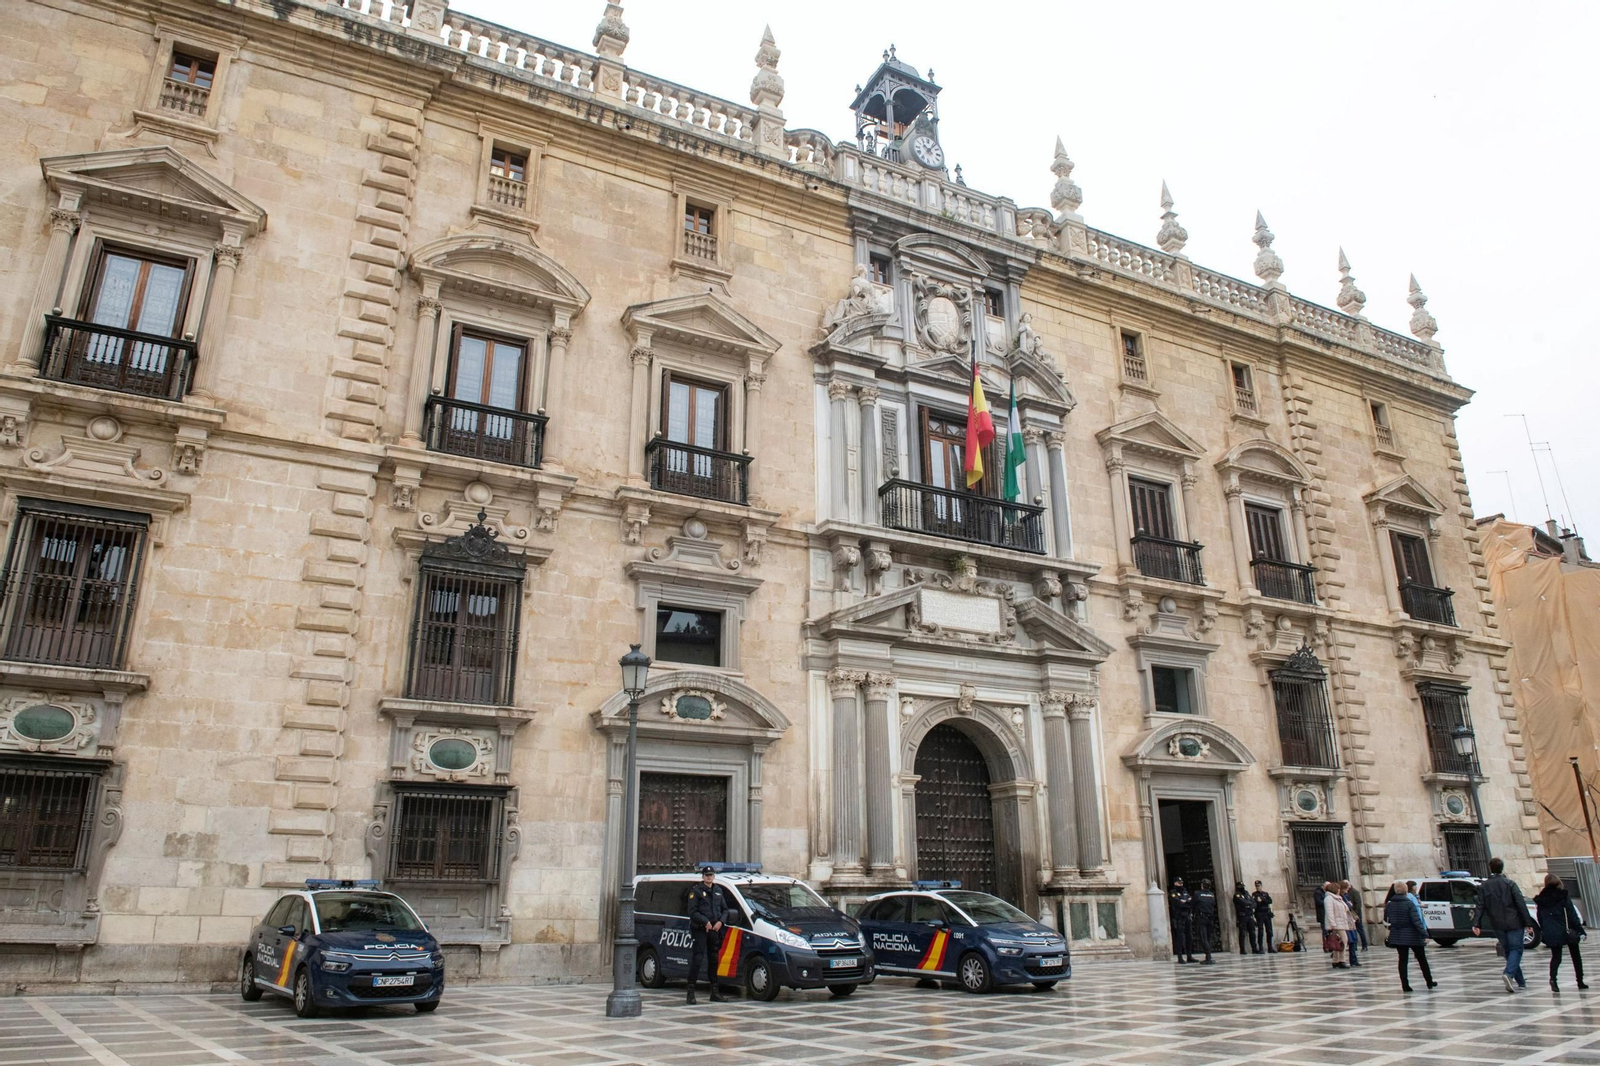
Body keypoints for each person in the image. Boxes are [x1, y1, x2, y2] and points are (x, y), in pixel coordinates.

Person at [1472, 856, 1535, 993]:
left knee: (1509, 951)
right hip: (1514, 922)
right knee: (1516, 949)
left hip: (1497, 923)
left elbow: (1480, 905)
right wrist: (1528, 922)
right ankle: (1508, 974)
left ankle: (1521, 982)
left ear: (1490, 868)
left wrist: (1476, 923)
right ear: (1502, 868)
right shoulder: (1509, 883)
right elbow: (1520, 903)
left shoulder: (1484, 886)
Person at [1534, 873, 1587, 991]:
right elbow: (1571, 914)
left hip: (1551, 931)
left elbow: (1540, 917)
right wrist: (1580, 930)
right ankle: (1580, 981)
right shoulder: (1563, 895)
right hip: (1566, 930)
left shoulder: (1541, 899)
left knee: (1556, 957)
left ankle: (1553, 979)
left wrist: (1544, 930)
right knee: (1575, 956)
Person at [684, 866, 730, 1004]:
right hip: (700, 930)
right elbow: (692, 912)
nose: (709, 877)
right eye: (706, 875)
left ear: (714, 876)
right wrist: (705, 922)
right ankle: (690, 993)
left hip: (714, 930)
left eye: (711, 875)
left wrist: (721, 922)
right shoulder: (696, 891)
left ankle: (714, 992)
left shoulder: (718, 890)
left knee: (714, 959)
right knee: (697, 959)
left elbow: (725, 910)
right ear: (703, 876)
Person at [1383, 879, 1435, 992]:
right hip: (1413, 936)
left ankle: (1405, 985)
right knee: (1422, 959)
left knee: (1402, 960)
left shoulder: (1389, 904)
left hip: (1397, 935)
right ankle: (1429, 981)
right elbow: (1416, 921)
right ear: (1406, 891)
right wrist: (1425, 934)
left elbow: (1386, 921)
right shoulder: (1409, 904)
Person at [1322, 881, 1352, 968]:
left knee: (1337, 943)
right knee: (1344, 941)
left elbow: (1346, 908)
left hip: (1341, 923)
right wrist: (1333, 924)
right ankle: (1342, 960)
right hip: (1336, 924)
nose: (1339, 891)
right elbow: (1329, 912)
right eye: (1338, 889)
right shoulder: (1329, 899)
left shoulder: (1337, 898)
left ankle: (1335, 960)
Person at [1169, 878, 1194, 963]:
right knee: (1180, 937)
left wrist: (1184, 902)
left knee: (1189, 936)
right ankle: (1180, 956)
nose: (1181, 884)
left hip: (1187, 916)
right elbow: (1178, 903)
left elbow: (1191, 902)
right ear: (1175, 883)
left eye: (1182, 883)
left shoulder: (1185, 892)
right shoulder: (1173, 893)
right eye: (1179, 883)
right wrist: (1185, 902)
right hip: (1179, 917)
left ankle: (1189, 956)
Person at [1193, 879, 1218, 964]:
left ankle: (1208, 956)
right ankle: (1209, 955)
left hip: (1202, 918)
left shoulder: (1197, 894)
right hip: (1210, 918)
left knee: (1203, 938)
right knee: (1208, 937)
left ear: (1202, 885)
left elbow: (1193, 904)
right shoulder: (1211, 894)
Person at [1339, 880, 1362, 967]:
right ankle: (1341, 960)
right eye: (1346, 888)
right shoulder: (1340, 897)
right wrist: (1348, 905)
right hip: (1346, 922)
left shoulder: (1345, 896)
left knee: (1353, 940)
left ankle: (1354, 960)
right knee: (1347, 941)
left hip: (1350, 920)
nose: (1348, 890)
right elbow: (1343, 908)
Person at [1232, 883, 1256, 955]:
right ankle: (1242, 949)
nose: (1242, 888)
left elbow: (1254, 903)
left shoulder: (1247, 894)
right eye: (1240, 887)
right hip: (1242, 916)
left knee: (1252, 932)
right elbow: (1243, 902)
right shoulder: (1237, 895)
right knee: (1242, 933)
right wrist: (1249, 904)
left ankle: (1254, 948)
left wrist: (1250, 905)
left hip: (1250, 915)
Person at [1344, 879, 1369, 951]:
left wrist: (1355, 914)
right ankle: (1354, 946)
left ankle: (1364, 945)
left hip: (1355, 914)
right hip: (1349, 914)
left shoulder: (1355, 892)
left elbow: (1358, 904)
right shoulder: (1345, 893)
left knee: (1360, 929)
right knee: (1352, 930)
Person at [1251, 881, 1274, 954]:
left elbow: (1270, 901)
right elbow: (1255, 903)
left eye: (1259, 886)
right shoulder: (1254, 894)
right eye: (1256, 886)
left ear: (1261, 886)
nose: (1258, 887)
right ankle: (1261, 947)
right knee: (1260, 931)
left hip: (1266, 914)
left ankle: (1270, 947)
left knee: (1269, 931)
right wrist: (1263, 901)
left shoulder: (1265, 894)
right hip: (1259, 914)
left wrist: (1263, 900)